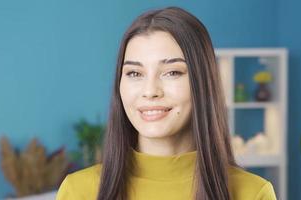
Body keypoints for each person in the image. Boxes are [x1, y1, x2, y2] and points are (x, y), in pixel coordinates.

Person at [56, 6, 277, 200]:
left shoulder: (253, 193)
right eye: (134, 73)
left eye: (172, 72)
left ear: (202, 83)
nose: (150, 91)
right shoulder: (79, 192)